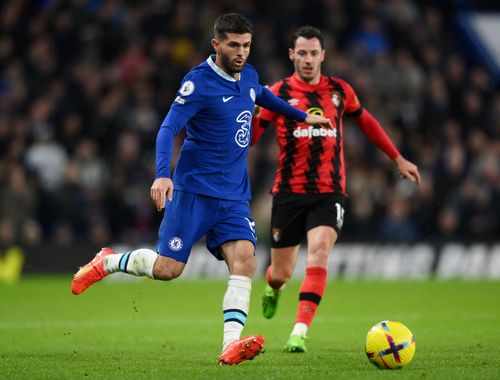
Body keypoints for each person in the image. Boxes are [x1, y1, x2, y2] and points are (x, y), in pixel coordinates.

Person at [70, 15, 331, 365]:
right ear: (217, 45)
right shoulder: (198, 83)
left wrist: (303, 117)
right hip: (193, 193)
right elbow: (167, 129)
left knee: (245, 261)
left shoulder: (249, 75)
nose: (241, 53)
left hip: (234, 196)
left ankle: (230, 345)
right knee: (168, 270)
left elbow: (262, 95)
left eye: (247, 45)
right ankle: (109, 261)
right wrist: (163, 175)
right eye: (234, 45)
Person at [251, 26, 421, 353]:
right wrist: (246, 120)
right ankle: (274, 287)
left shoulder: (339, 91)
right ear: (291, 55)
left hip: (329, 191)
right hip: (288, 192)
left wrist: (397, 158)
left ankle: (299, 332)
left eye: (314, 53)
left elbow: (367, 121)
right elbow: (254, 137)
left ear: (323, 55)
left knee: (320, 250)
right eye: (302, 53)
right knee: (281, 272)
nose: (308, 59)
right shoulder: (277, 92)